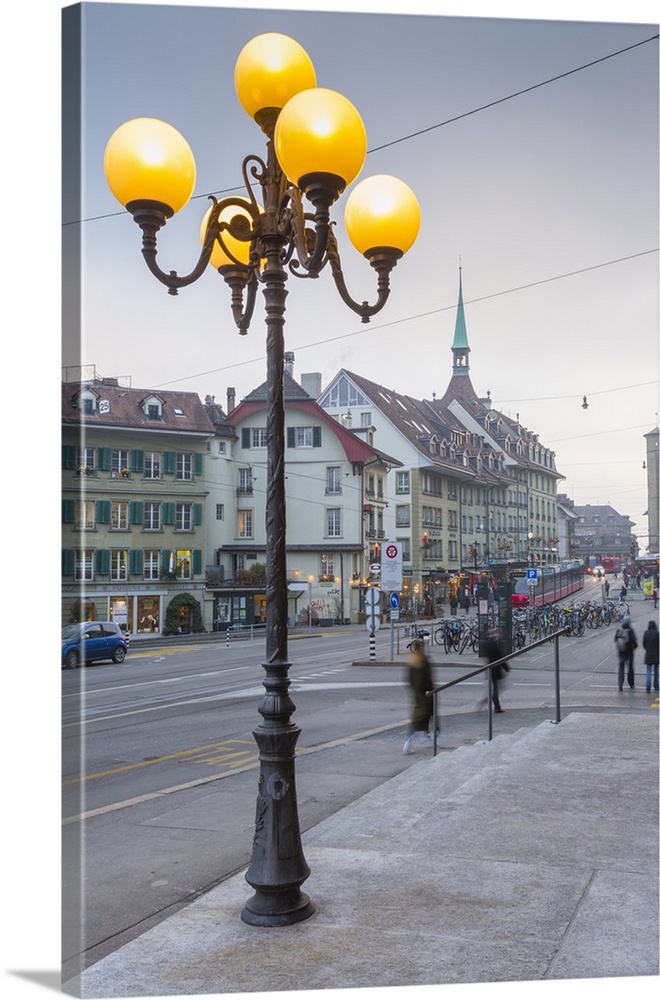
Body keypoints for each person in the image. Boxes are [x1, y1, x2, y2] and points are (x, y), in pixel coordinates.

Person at [402, 638, 434, 754]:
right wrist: (431, 690)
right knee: (419, 720)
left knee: (423, 718)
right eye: (422, 646)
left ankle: (430, 739)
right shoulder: (423, 660)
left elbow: (409, 679)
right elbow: (428, 678)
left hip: (418, 695)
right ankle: (407, 744)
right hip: (425, 695)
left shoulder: (412, 661)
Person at [482, 627, 509, 713]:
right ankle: (495, 705)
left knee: (496, 687)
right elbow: (499, 657)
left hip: (491, 668)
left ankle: (494, 703)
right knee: (496, 688)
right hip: (495, 668)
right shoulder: (494, 644)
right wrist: (506, 667)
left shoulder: (489, 642)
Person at [614, 614, 638, 691]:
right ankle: (631, 683)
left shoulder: (619, 630)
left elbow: (615, 640)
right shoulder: (630, 631)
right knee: (630, 668)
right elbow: (634, 641)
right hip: (629, 653)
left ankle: (620, 682)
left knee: (621, 668)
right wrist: (634, 647)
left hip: (621, 652)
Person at [642, 620, 659, 693]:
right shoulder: (657, 633)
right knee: (656, 671)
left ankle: (648, 687)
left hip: (648, 654)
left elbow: (644, 644)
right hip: (656, 655)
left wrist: (647, 649)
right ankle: (656, 686)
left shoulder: (646, 633)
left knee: (648, 671)